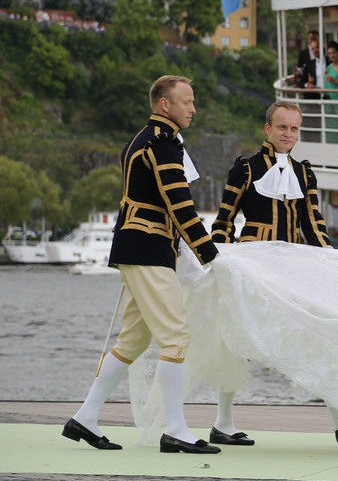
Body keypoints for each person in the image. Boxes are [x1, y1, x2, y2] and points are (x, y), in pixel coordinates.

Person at [63, 75, 221, 454]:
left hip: (139, 246)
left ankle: (85, 417)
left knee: (133, 340)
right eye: (187, 101)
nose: (193, 109)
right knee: (176, 337)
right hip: (149, 247)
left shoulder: (140, 139)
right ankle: (176, 429)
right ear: (165, 105)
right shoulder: (163, 144)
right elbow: (178, 203)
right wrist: (209, 254)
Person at [209, 101, 338, 448]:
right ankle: (222, 422)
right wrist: (217, 259)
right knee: (236, 341)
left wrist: (328, 259)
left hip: (291, 264)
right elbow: (224, 220)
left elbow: (313, 222)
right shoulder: (247, 169)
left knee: (311, 336)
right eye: (282, 127)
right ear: (267, 129)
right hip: (253, 263)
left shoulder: (304, 173)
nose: (288, 135)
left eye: (294, 129)